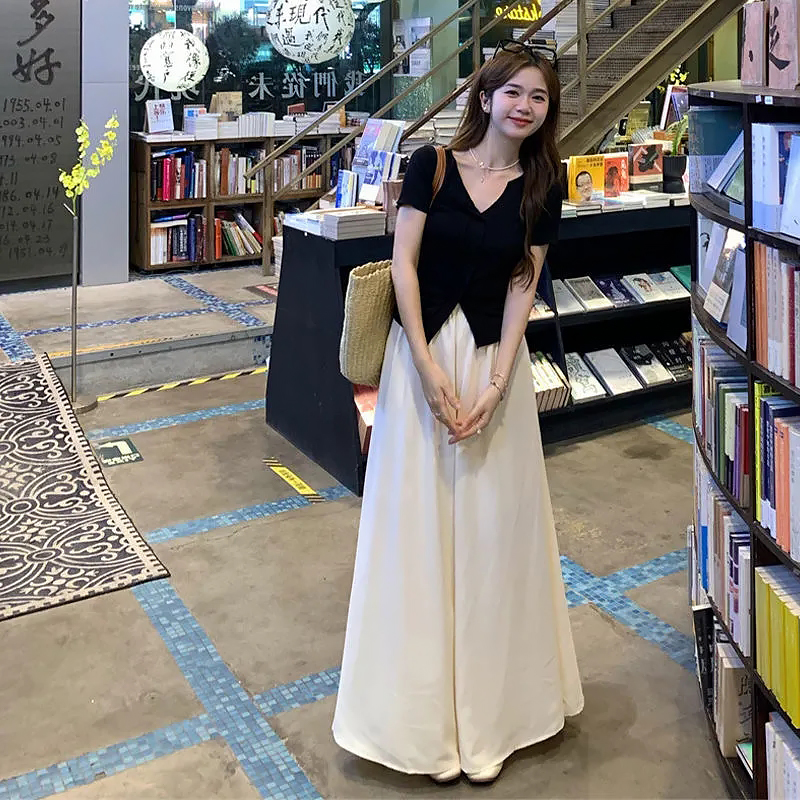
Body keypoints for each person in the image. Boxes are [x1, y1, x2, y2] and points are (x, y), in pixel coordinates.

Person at [332, 38, 584, 786]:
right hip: (422, 359)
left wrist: (500, 383)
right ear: (485, 96)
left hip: (492, 365)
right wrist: (424, 363)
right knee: (415, 527)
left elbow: (524, 282)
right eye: (514, 92)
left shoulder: (544, 183)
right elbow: (404, 264)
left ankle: (493, 717)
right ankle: (419, 725)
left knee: (493, 531)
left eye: (539, 98)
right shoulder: (431, 165)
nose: (525, 107)